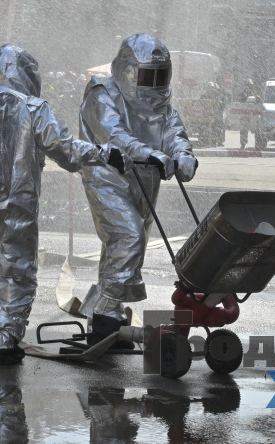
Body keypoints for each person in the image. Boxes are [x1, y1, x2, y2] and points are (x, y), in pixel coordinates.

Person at [0, 44, 125, 365]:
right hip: (15, 208)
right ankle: (3, 340)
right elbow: (65, 149)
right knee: (14, 272)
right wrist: (105, 154)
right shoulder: (33, 108)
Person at [78, 34, 198, 344]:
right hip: (107, 178)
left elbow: (173, 131)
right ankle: (105, 313)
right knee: (129, 236)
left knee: (123, 246)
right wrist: (149, 153)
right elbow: (113, 134)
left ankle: (107, 313)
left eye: (161, 76)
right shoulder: (101, 93)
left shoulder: (160, 104)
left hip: (145, 181)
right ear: (128, 71)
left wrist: (183, 155)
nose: (154, 84)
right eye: (148, 76)